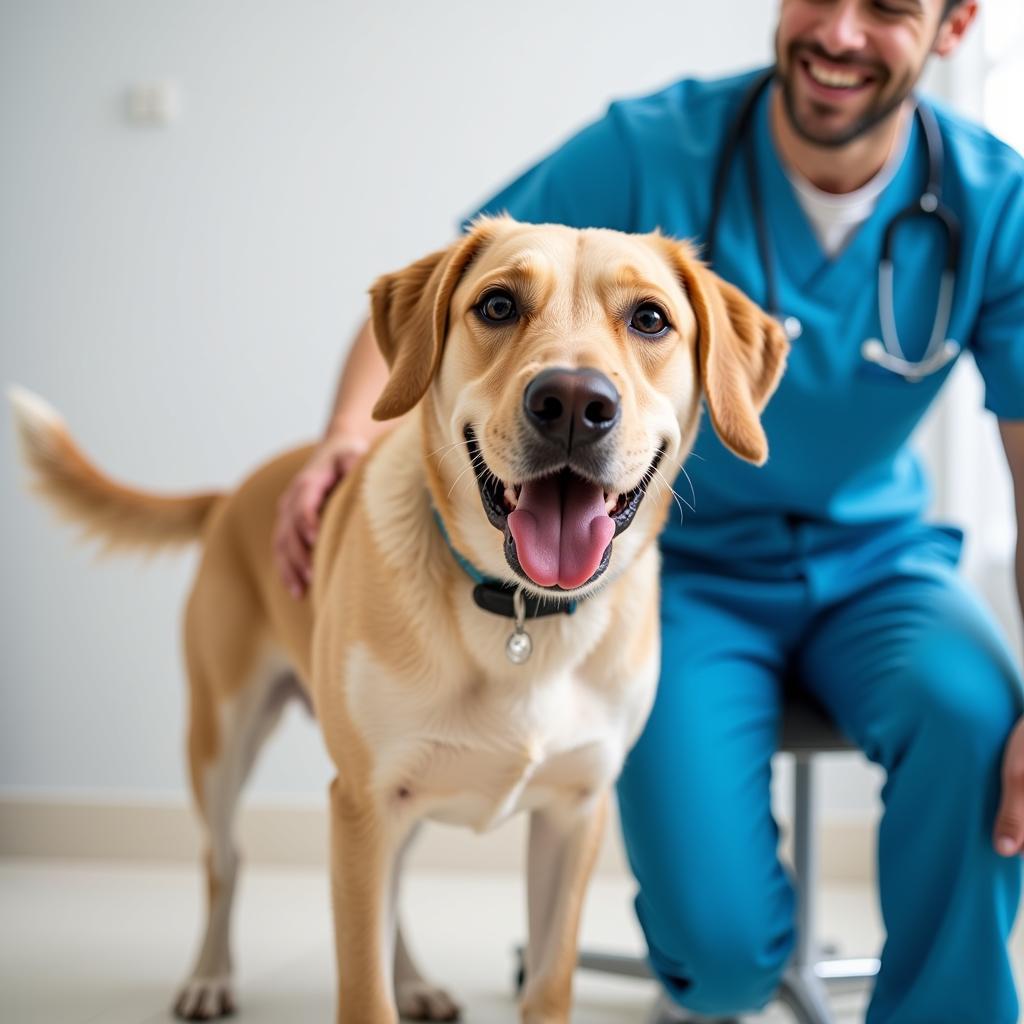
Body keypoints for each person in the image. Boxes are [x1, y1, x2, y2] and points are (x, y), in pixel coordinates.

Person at [275, 1, 1024, 1020]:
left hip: (878, 564)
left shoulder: (995, 202)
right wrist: (346, 441)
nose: (841, 32)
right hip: (679, 575)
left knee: (977, 711)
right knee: (719, 962)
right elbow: (454, 280)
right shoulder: (650, 147)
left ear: (953, 23)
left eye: (888, 5)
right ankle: (716, 968)